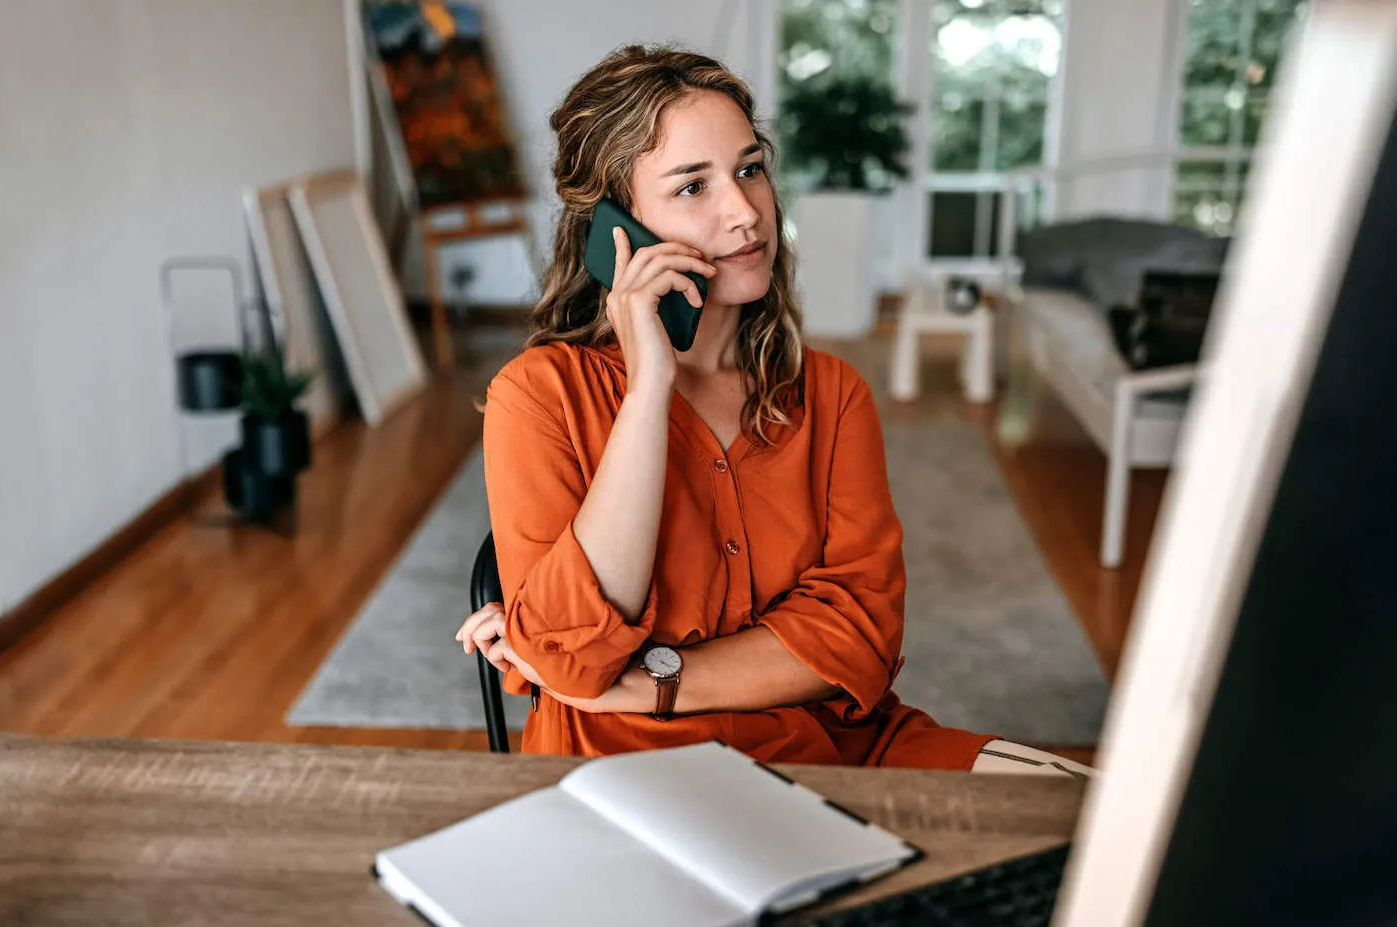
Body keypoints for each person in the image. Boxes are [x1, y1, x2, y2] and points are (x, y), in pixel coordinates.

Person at [457, 44, 1091, 777]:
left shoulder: (832, 394)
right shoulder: (539, 396)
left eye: (749, 169)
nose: (745, 212)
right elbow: (570, 654)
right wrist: (649, 387)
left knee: (1092, 815)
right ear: (615, 229)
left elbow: (860, 634)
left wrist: (646, 679)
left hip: (835, 750)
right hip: (628, 763)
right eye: (693, 187)